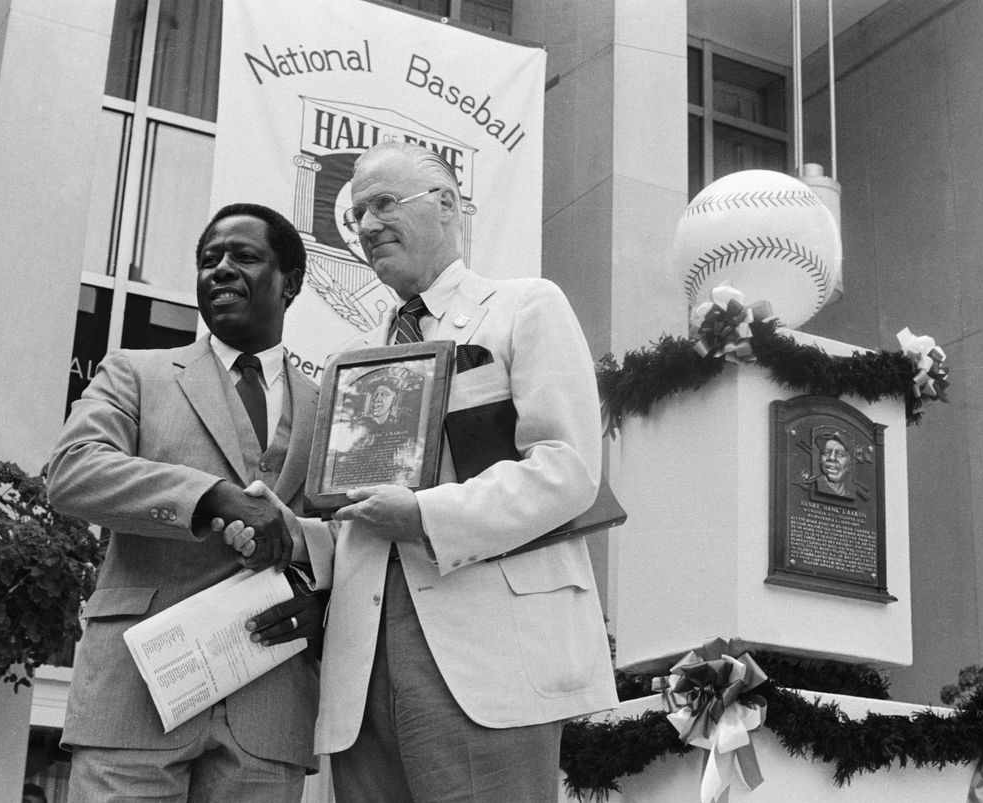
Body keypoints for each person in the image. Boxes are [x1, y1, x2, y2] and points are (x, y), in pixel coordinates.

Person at [314, 141, 618, 801]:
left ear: (448, 205)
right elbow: (345, 518)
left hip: (488, 660)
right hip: (362, 669)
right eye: (358, 212)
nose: (366, 226)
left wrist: (425, 515)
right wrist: (278, 526)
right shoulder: (354, 359)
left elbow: (567, 470)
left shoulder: (524, 308)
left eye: (383, 203)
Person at [46, 203, 334, 802]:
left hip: (269, 701)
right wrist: (210, 498)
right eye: (209, 260)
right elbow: (72, 472)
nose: (222, 269)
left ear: (293, 282)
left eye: (245, 257)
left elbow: (351, 534)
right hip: (137, 693)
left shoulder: (333, 405)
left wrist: (319, 599)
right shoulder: (137, 372)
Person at [815, 432, 853, 498]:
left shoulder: (849, 494)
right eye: (826, 453)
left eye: (840, 454)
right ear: (820, 460)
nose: (831, 458)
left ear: (850, 462)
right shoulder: (815, 484)